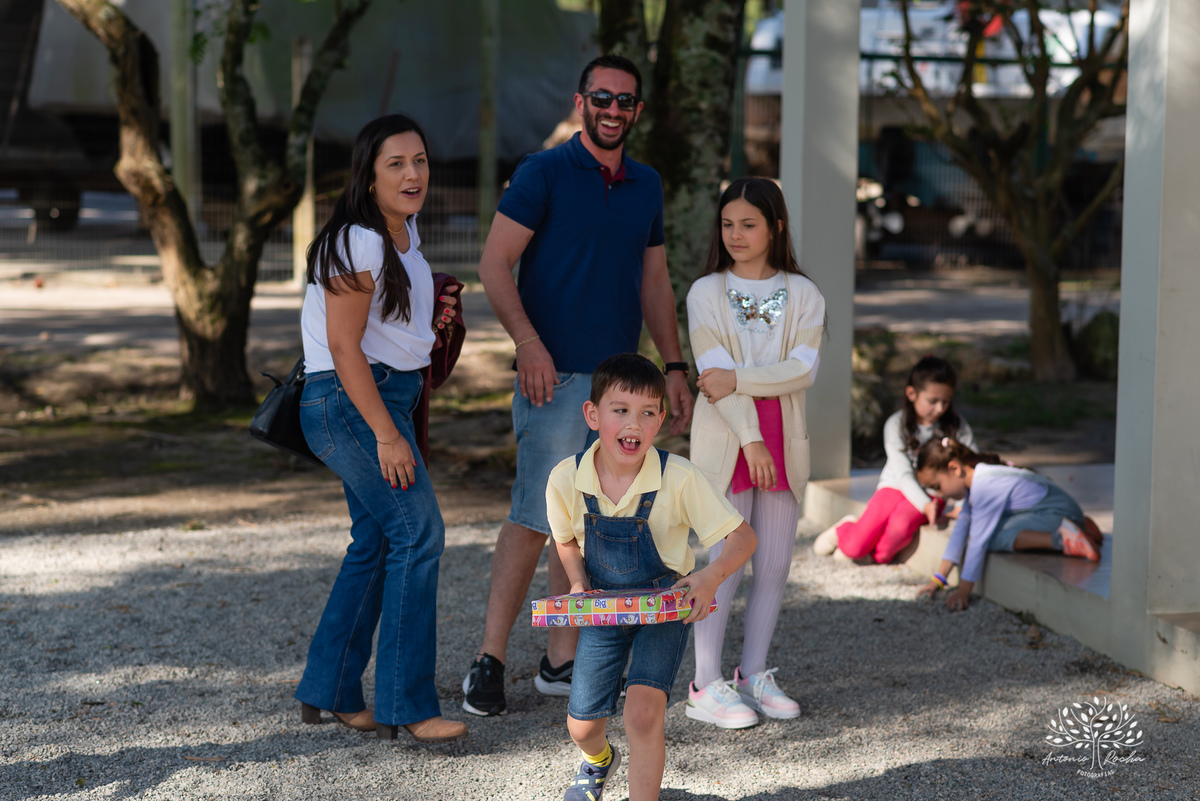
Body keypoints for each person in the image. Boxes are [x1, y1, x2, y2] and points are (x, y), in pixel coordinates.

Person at [465, 54, 694, 716]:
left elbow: (654, 282)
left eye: (625, 102)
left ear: (637, 112)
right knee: (534, 518)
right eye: (603, 98)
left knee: (597, 520)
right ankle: (489, 658)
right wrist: (527, 344)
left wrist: (674, 368)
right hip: (554, 377)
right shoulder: (544, 173)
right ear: (581, 101)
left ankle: (561, 662)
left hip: (621, 386)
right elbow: (494, 263)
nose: (613, 110)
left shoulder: (647, 184)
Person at [294, 114, 467, 743]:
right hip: (351, 401)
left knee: (377, 545)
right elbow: (343, 348)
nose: (412, 173)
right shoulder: (355, 240)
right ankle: (408, 705)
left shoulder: (403, 238)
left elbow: (392, 335)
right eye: (396, 163)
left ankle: (330, 688)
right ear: (369, 176)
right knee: (419, 533)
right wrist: (388, 435)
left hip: (380, 398)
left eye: (419, 160)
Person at [547, 353, 757, 801]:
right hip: (602, 610)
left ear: (661, 418)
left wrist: (709, 577)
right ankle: (599, 760)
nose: (633, 424)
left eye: (647, 413)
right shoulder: (566, 478)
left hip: (664, 608)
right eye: (620, 410)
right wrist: (577, 582)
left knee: (642, 715)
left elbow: (744, 539)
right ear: (592, 414)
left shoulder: (678, 476)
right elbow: (564, 539)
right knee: (581, 725)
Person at [683, 177, 825, 728]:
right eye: (727, 224)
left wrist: (740, 376)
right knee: (724, 565)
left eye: (749, 224)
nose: (736, 234)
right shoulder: (705, 292)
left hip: (787, 445)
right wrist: (752, 439)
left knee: (772, 565)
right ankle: (705, 684)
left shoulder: (806, 294)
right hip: (731, 441)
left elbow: (803, 370)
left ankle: (755, 674)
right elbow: (712, 384)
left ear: (776, 227)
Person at [813, 355, 975, 564]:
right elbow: (903, 473)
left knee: (890, 545)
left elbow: (970, 466)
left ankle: (869, 554)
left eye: (945, 401)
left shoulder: (957, 427)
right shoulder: (896, 424)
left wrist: (962, 503)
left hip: (933, 493)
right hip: (896, 486)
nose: (940, 408)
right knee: (855, 546)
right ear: (911, 393)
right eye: (933, 401)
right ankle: (844, 530)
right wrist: (925, 504)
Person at [914, 437, 1104, 611]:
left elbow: (978, 541)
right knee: (980, 528)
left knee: (993, 536)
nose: (938, 495)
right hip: (1056, 509)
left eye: (937, 487)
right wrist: (938, 580)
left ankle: (1064, 539)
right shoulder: (976, 482)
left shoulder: (984, 486)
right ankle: (1077, 525)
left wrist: (964, 591)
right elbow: (961, 530)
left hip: (1055, 512)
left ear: (954, 468)